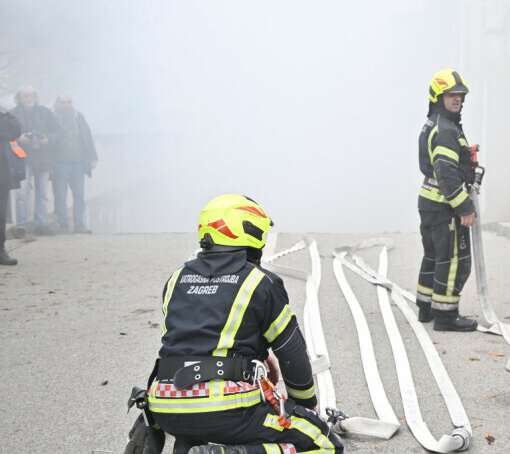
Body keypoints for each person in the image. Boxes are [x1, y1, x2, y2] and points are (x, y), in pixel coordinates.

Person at [125, 194, 342, 454]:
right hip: (227, 410)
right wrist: (305, 406)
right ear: (249, 232)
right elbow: (291, 352)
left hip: (165, 405)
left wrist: (257, 356)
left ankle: (163, 432)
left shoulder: (176, 279)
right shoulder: (260, 282)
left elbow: (185, 342)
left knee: (196, 423)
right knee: (324, 443)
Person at [415, 69, 479, 332]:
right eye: (451, 94)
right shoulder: (446, 129)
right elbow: (445, 171)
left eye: (460, 95)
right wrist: (463, 206)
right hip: (445, 206)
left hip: (430, 202)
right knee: (454, 260)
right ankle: (445, 315)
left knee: (433, 256)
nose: (457, 99)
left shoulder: (436, 123)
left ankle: (425, 307)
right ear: (437, 97)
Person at [9, 86, 60, 238]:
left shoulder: (45, 113)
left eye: (31, 95)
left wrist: (47, 139)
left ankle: (40, 224)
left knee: (42, 194)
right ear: (19, 98)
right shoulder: (12, 114)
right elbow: (3, 133)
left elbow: (58, 132)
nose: (29, 98)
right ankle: (21, 227)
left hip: (42, 158)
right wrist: (18, 138)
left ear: (36, 97)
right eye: (26, 96)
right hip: (21, 158)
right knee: (21, 194)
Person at [51, 94, 98, 234]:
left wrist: (93, 157)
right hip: (59, 163)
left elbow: (87, 137)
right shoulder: (52, 118)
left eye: (68, 102)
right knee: (60, 195)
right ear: (57, 104)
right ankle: (63, 225)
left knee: (79, 195)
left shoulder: (78, 117)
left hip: (78, 163)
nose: (66, 105)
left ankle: (79, 224)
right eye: (63, 102)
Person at [0, 108, 21, 265]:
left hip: (2, 172)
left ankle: (0, 251)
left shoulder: (5, 115)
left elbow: (15, 130)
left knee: (1, 215)